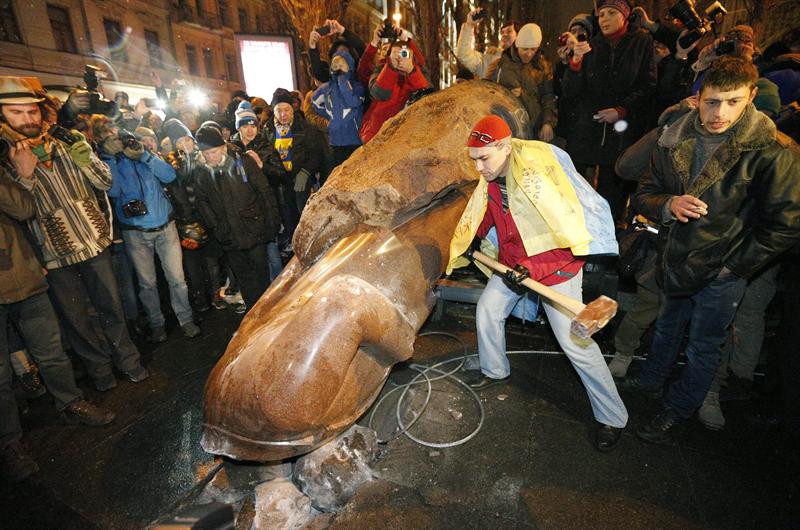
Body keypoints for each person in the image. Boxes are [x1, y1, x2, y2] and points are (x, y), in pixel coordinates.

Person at [623, 57, 800, 444]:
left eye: (733, 102)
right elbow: (645, 192)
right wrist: (669, 204)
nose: (720, 113)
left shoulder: (772, 150)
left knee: (704, 345)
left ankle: (679, 407)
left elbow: (786, 222)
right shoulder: (674, 136)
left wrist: (734, 267)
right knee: (667, 326)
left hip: (723, 269)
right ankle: (651, 380)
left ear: (751, 97)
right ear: (697, 97)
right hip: (675, 256)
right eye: (712, 102)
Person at [447, 115, 628, 451]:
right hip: (514, 264)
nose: (479, 167)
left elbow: (567, 237)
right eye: (474, 160)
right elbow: (489, 212)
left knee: (575, 344)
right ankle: (494, 369)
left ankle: (613, 417)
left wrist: (529, 268)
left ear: (505, 146)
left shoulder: (539, 177)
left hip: (556, 270)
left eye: (484, 158)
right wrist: (471, 238)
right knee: (488, 309)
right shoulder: (492, 179)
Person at [0, 77, 149, 389]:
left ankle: (129, 362)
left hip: (93, 243)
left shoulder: (66, 140)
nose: (27, 119)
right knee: (78, 322)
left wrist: (88, 160)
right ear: (3, 116)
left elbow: (105, 182)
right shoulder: (6, 161)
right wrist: (24, 176)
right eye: (17, 112)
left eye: (32, 111)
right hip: (53, 255)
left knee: (112, 309)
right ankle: (101, 374)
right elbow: (20, 211)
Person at [1, 166, 115, 482]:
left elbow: (24, 208)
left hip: (25, 277)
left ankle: (70, 402)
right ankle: (10, 443)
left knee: (51, 353)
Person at [99, 124, 201, 342]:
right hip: (135, 232)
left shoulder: (148, 157)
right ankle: (157, 325)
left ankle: (186, 320)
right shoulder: (115, 162)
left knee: (177, 279)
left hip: (165, 226)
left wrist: (144, 155)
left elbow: (169, 176)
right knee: (147, 284)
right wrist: (110, 158)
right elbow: (113, 190)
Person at [560, 0, 656, 222]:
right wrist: (576, 62)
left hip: (620, 133)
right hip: (587, 131)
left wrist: (622, 110)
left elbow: (648, 85)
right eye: (601, 14)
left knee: (611, 198)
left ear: (625, 15)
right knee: (574, 194)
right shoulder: (592, 45)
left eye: (611, 13)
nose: (604, 19)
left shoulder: (641, 42)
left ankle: (611, 233)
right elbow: (570, 92)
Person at [193, 125, 281, 310]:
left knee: (261, 276)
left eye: (213, 152)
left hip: (254, 228)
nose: (211, 157)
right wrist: (216, 226)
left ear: (223, 147)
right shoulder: (201, 172)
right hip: (229, 236)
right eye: (206, 154)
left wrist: (272, 223)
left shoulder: (244, 162)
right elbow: (202, 202)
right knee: (244, 278)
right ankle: (253, 315)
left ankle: (268, 313)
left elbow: (264, 192)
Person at [261, 89, 324, 235]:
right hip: (279, 181)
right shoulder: (267, 130)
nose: (283, 114)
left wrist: (305, 172)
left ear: (293, 109)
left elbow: (316, 153)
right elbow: (265, 154)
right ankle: (290, 240)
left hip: (300, 177)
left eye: (287, 110)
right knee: (286, 215)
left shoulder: (305, 127)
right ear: (273, 111)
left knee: (303, 214)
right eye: (279, 110)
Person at [486, 23, 556, 142]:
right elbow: (490, 93)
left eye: (533, 49)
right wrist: (507, 94)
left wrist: (547, 122)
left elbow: (548, 97)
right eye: (525, 49)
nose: (529, 53)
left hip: (534, 129)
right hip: (507, 128)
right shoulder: (502, 65)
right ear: (517, 46)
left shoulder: (542, 67)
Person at [360, 32, 431, 144]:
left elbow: (426, 96)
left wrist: (411, 71)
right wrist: (391, 67)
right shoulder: (381, 68)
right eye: (395, 54)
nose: (399, 57)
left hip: (406, 137)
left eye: (403, 53)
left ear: (411, 55)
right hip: (377, 134)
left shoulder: (417, 71)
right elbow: (379, 94)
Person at [311, 49, 365, 165]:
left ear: (349, 66)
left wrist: (343, 82)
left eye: (341, 65)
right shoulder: (327, 87)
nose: (338, 68)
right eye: (335, 65)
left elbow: (353, 102)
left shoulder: (357, 86)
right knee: (339, 169)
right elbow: (315, 102)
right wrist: (330, 114)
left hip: (354, 138)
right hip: (336, 139)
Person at [456, 9, 518, 79]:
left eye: (509, 31)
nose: (504, 35)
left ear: (519, 36)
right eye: (502, 33)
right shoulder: (489, 60)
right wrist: (469, 25)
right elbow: (464, 55)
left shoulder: (526, 61)